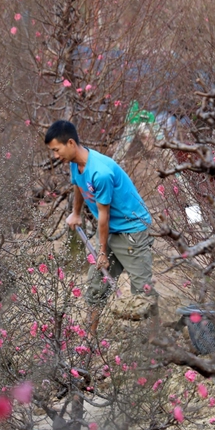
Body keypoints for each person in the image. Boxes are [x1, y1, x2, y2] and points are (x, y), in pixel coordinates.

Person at [44, 120, 157, 333]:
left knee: (143, 291)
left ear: (70, 143)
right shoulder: (74, 162)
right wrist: (76, 213)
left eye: (57, 150)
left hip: (131, 230)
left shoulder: (101, 172)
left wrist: (103, 252)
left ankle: (156, 343)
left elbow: (103, 217)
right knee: (96, 284)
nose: (56, 156)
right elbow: (78, 184)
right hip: (110, 230)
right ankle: (89, 338)